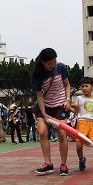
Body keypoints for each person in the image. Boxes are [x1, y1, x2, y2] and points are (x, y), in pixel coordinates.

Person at [30, 48, 71, 176]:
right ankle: (48, 164)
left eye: (54, 62)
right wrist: (43, 114)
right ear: (42, 62)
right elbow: (39, 96)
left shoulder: (61, 67)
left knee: (62, 134)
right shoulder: (36, 76)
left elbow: (67, 85)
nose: (52, 65)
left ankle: (63, 165)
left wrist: (68, 100)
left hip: (60, 105)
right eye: (49, 63)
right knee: (42, 132)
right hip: (45, 105)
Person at [72, 77, 93, 174]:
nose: (84, 88)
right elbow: (75, 110)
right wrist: (68, 108)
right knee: (79, 146)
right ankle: (81, 159)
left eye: (86, 86)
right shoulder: (79, 98)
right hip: (82, 123)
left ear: (92, 87)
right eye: (82, 86)